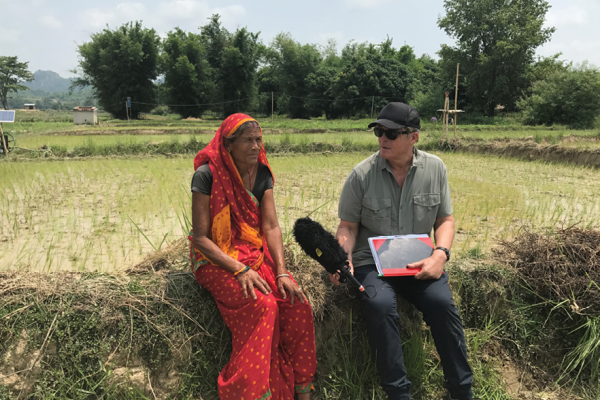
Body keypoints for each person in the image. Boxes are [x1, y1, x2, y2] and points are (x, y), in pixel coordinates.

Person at [330, 103, 473, 400]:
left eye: (392, 133)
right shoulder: (361, 174)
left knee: (442, 305)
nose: (383, 138)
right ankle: (398, 393)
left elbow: (445, 220)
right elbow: (347, 227)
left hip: (419, 260)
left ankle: (461, 390)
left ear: (414, 137)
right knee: (380, 305)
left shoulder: (435, 168)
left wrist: (440, 254)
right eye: (379, 131)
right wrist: (342, 259)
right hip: (373, 263)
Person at [189, 113, 317, 400]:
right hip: (216, 259)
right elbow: (201, 239)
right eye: (248, 140)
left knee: (297, 302)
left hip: (253, 255)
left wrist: (282, 272)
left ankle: (303, 390)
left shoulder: (262, 174)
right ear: (228, 144)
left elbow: (270, 226)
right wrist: (239, 270)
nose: (256, 146)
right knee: (264, 305)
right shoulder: (207, 175)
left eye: (259, 140)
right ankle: (249, 392)